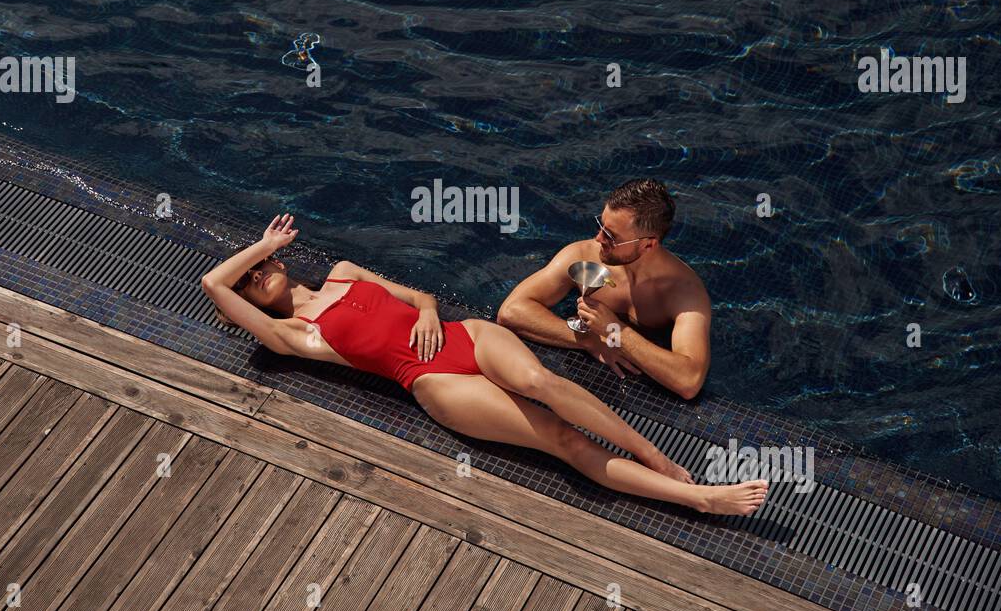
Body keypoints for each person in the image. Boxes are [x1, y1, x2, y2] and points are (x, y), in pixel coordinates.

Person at [201, 214, 766, 516]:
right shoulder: (292, 335)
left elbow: (420, 297)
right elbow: (211, 282)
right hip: (434, 380)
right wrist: (258, 246)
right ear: (248, 304)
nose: (258, 275)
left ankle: (656, 456)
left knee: (543, 381)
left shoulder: (345, 271)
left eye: (263, 265)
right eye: (251, 280)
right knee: (560, 439)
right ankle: (699, 498)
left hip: (463, 335)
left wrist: (425, 311)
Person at [498, 179, 712, 400]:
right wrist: (590, 340)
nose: (598, 238)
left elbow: (689, 380)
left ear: (648, 244)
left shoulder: (684, 292)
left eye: (611, 236)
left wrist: (615, 332)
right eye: (601, 225)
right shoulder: (582, 255)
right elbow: (511, 311)